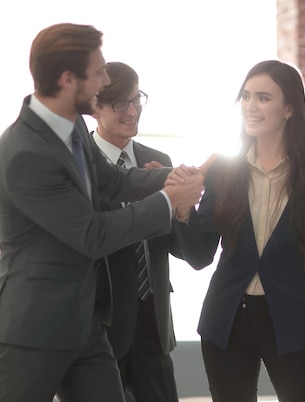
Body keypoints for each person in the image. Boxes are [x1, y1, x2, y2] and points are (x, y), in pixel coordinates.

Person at [0, 23, 204, 402]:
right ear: (67, 79)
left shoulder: (71, 125)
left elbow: (112, 181)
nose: (105, 80)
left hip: (84, 325)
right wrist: (168, 201)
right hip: (34, 330)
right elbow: (93, 235)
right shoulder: (25, 152)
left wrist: (171, 177)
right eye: (98, 73)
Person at [173, 60, 305, 402]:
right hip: (226, 322)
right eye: (246, 96)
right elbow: (198, 256)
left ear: (288, 109)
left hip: (293, 319)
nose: (251, 106)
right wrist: (183, 211)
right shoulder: (223, 169)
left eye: (263, 98)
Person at [92, 62, 179, 402]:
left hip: (153, 319)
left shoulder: (157, 160)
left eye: (136, 99)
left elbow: (179, 245)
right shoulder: (78, 162)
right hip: (100, 322)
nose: (132, 111)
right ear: (93, 107)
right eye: (119, 103)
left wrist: (182, 209)